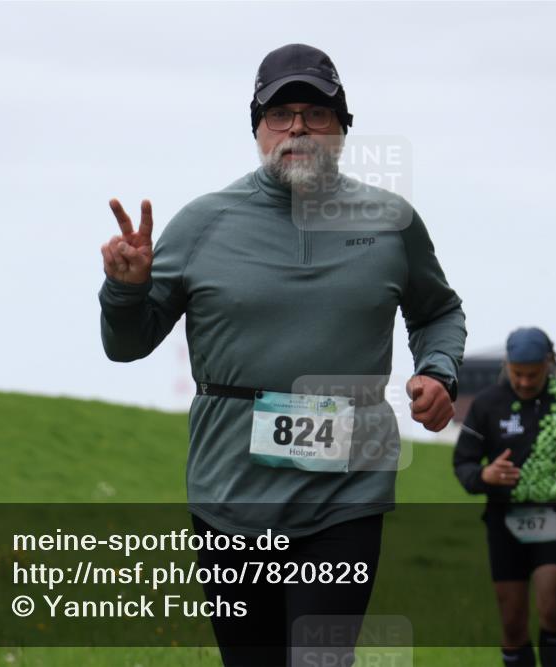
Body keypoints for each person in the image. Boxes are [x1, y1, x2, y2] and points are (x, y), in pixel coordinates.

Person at [98, 43, 466, 666]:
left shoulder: (391, 222)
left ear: (343, 128)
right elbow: (125, 346)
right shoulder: (203, 223)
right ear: (258, 130)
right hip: (229, 491)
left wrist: (437, 371)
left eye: (317, 113)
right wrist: (126, 290)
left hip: (347, 492)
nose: (298, 127)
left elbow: (437, 312)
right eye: (281, 113)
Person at [453, 327, 556, 667]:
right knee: (512, 622)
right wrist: (484, 475)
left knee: (551, 607)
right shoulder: (486, 405)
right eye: (518, 374)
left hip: (554, 516)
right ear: (507, 365)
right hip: (502, 520)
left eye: (533, 375)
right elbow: (462, 462)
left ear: (549, 364)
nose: (524, 382)